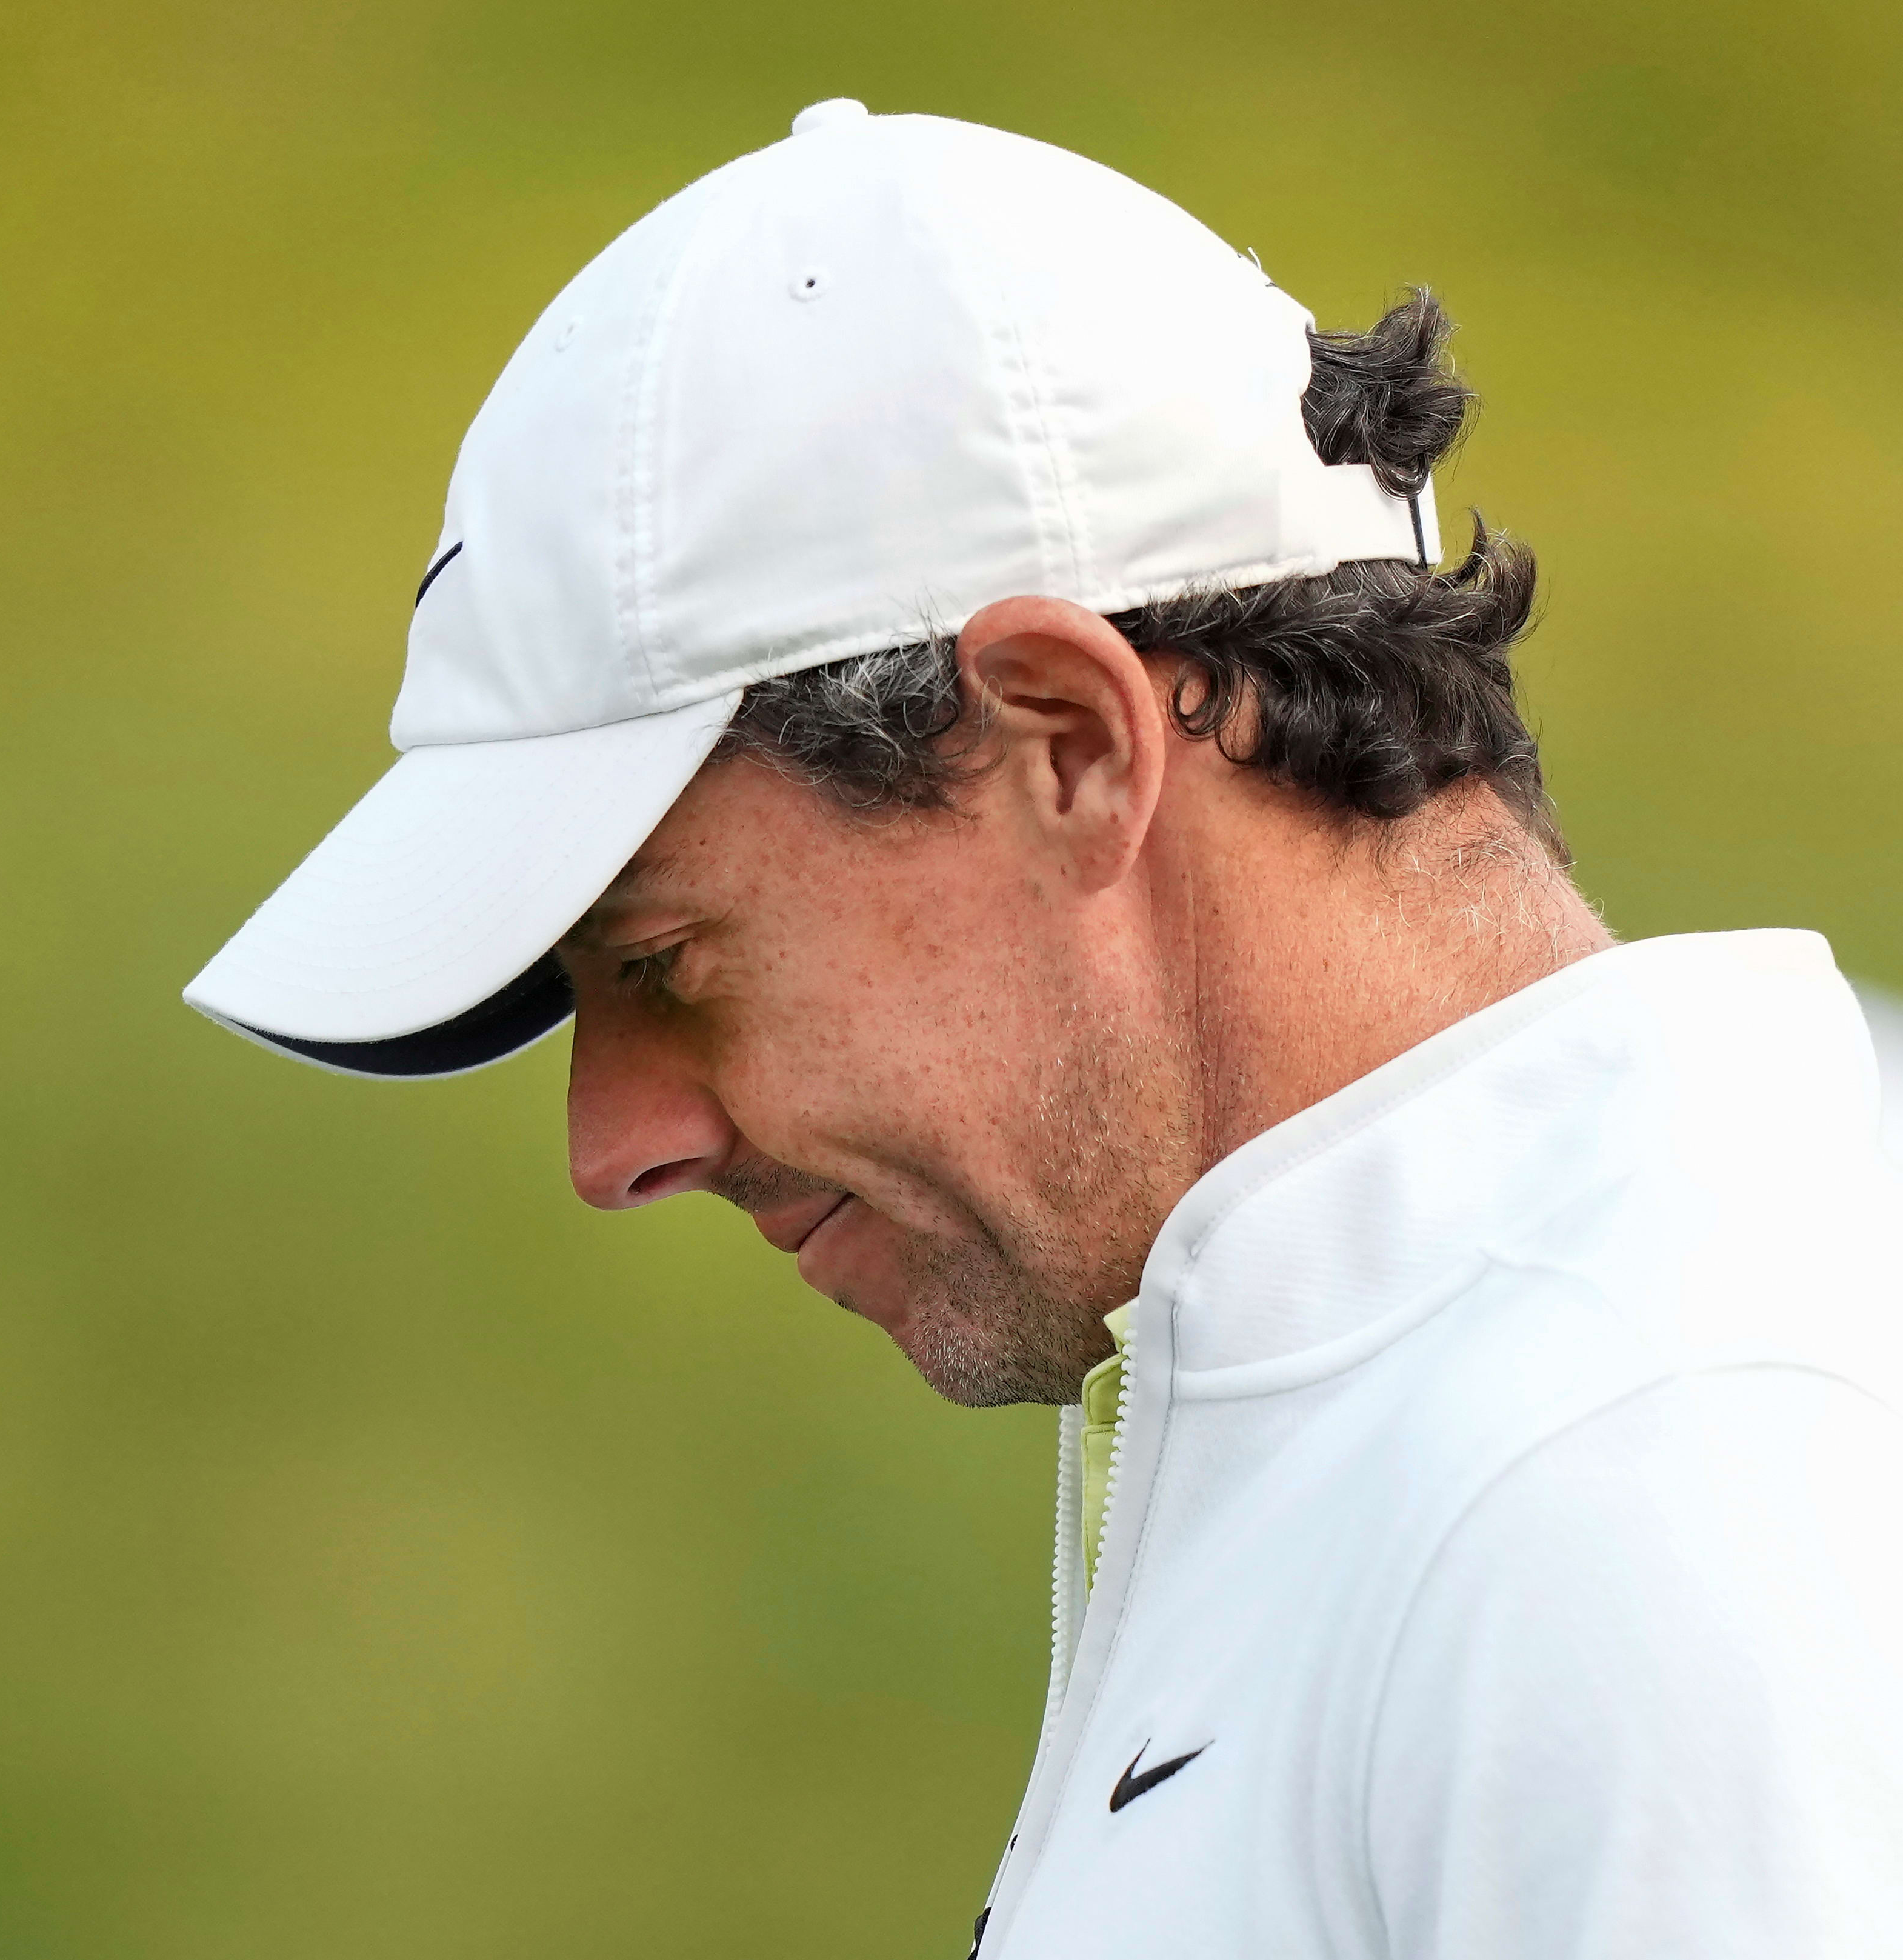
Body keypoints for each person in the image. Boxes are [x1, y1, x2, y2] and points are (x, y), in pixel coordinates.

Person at [184, 102, 1903, 1958]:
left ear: (1069, 745)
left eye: (664, 961)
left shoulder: (1654, 1492)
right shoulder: (1457, 1418)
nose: (614, 1147)